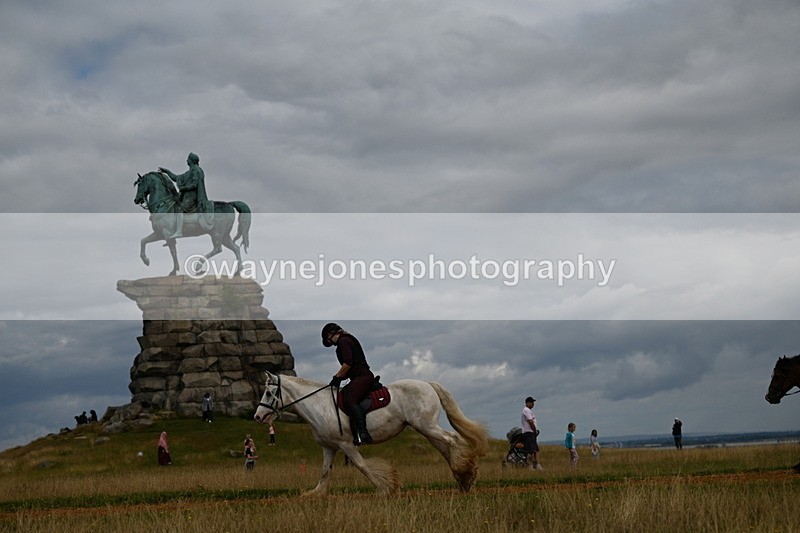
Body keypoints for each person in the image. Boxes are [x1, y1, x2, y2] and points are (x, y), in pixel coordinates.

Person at [322, 322, 375, 446]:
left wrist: (337, 376)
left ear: (332, 333)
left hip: (362, 377)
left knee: (350, 399)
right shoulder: (345, 340)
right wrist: (340, 378)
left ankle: (363, 432)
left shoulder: (343, 341)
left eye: (329, 339)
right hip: (357, 376)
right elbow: (349, 368)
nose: (330, 342)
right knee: (344, 395)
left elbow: (348, 363)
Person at [158, 152, 214, 234]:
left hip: (193, 197)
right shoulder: (190, 172)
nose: (186, 160)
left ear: (191, 161)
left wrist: (183, 188)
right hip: (187, 197)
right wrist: (167, 171)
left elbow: (195, 185)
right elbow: (176, 178)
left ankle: (179, 231)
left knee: (178, 208)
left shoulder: (196, 170)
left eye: (188, 159)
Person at [521, 396, 543, 470]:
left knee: (535, 450)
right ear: (527, 403)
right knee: (530, 450)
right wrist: (534, 430)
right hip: (529, 433)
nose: (533, 404)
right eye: (531, 402)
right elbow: (530, 421)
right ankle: (530, 466)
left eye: (533, 402)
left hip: (531, 433)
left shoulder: (529, 411)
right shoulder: (526, 410)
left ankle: (537, 464)